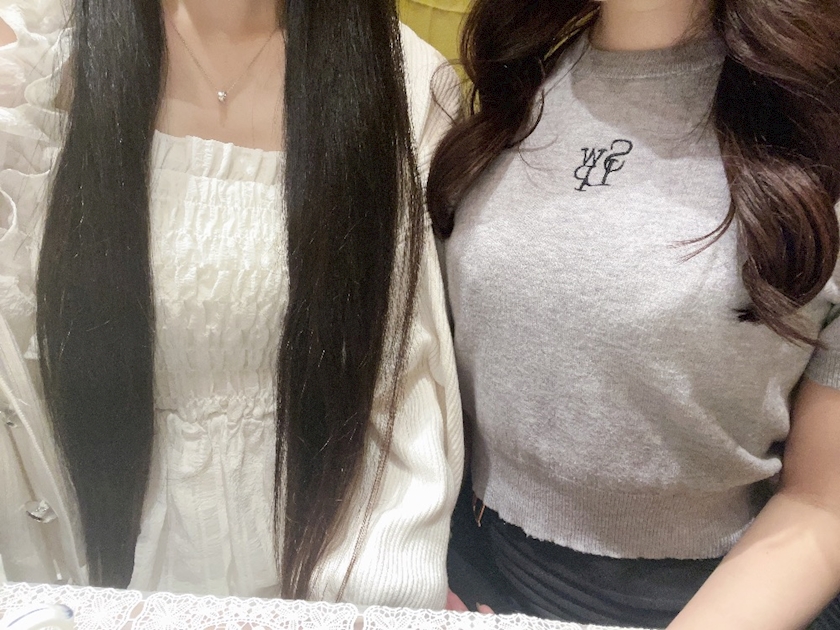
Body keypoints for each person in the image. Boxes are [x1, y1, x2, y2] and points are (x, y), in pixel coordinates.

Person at [0, 0, 464, 607]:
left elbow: (403, 387)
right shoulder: (35, 54)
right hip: (81, 580)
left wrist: (377, 602)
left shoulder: (407, 82)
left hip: (323, 581)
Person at [429, 0, 840, 628]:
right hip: (467, 568)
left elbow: (821, 502)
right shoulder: (508, 91)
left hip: (712, 599)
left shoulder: (816, 130)